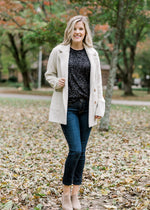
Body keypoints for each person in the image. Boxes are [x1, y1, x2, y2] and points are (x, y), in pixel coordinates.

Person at [45, 15, 105, 210]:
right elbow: (49, 74)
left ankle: (75, 194)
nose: (78, 32)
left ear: (85, 31)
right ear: (69, 31)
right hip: (68, 108)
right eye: (74, 29)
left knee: (82, 152)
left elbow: (98, 83)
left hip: (87, 109)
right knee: (76, 150)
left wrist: (99, 107)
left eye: (81, 29)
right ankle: (65, 193)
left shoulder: (92, 53)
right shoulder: (59, 51)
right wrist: (56, 83)